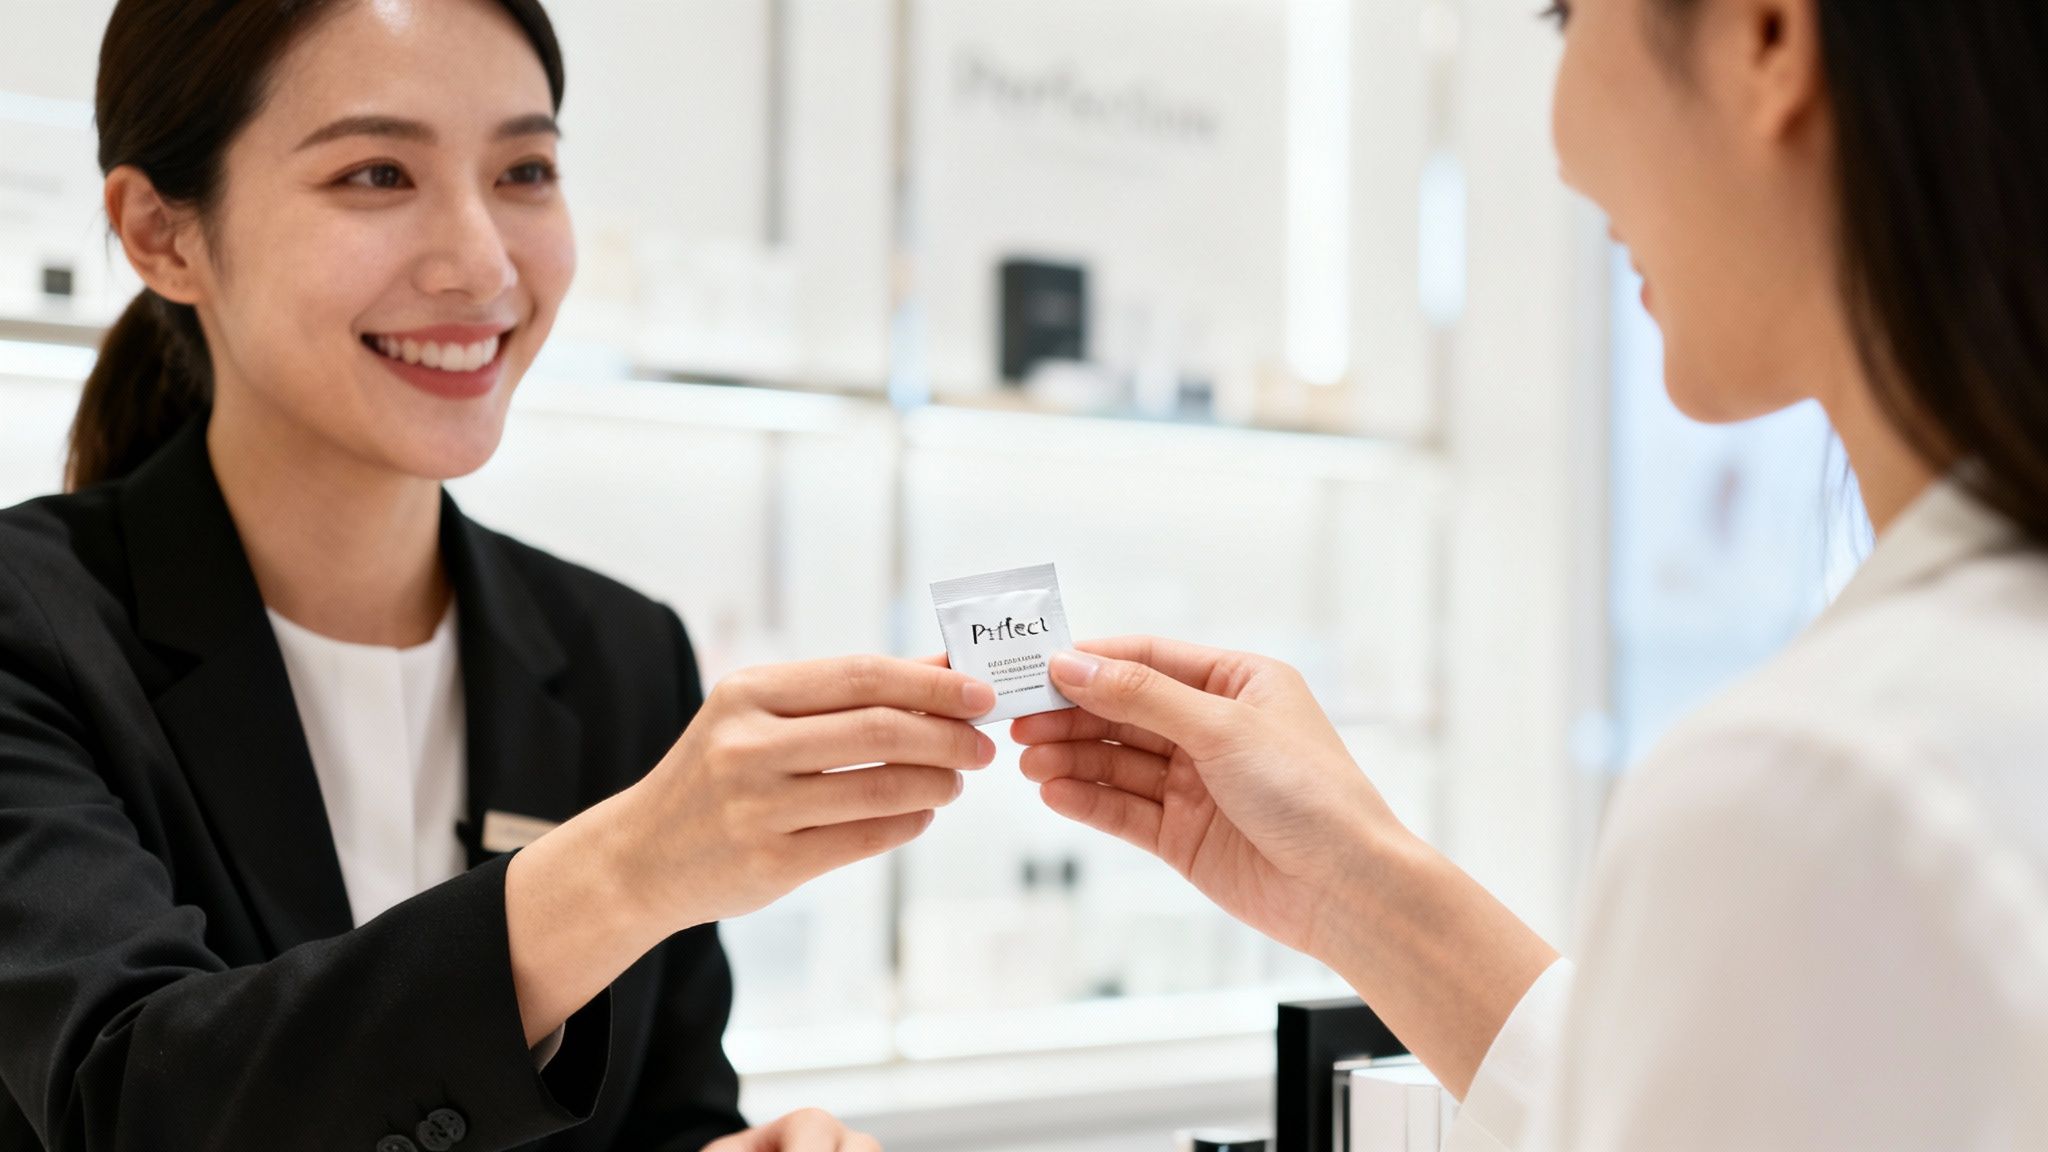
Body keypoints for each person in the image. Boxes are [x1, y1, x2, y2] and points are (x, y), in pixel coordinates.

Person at [1015, 0, 2048, 1148]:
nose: (1557, 146)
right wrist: (1351, 884)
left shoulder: (1822, 786)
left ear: (1765, 36)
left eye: (1566, 16)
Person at [0, 1, 997, 1149]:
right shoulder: (35, 634)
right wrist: (624, 869)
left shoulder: (617, 654)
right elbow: (129, 1102)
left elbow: (660, 1117)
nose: (480, 264)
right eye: (377, 174)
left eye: (525, 170)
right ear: (161, 235)